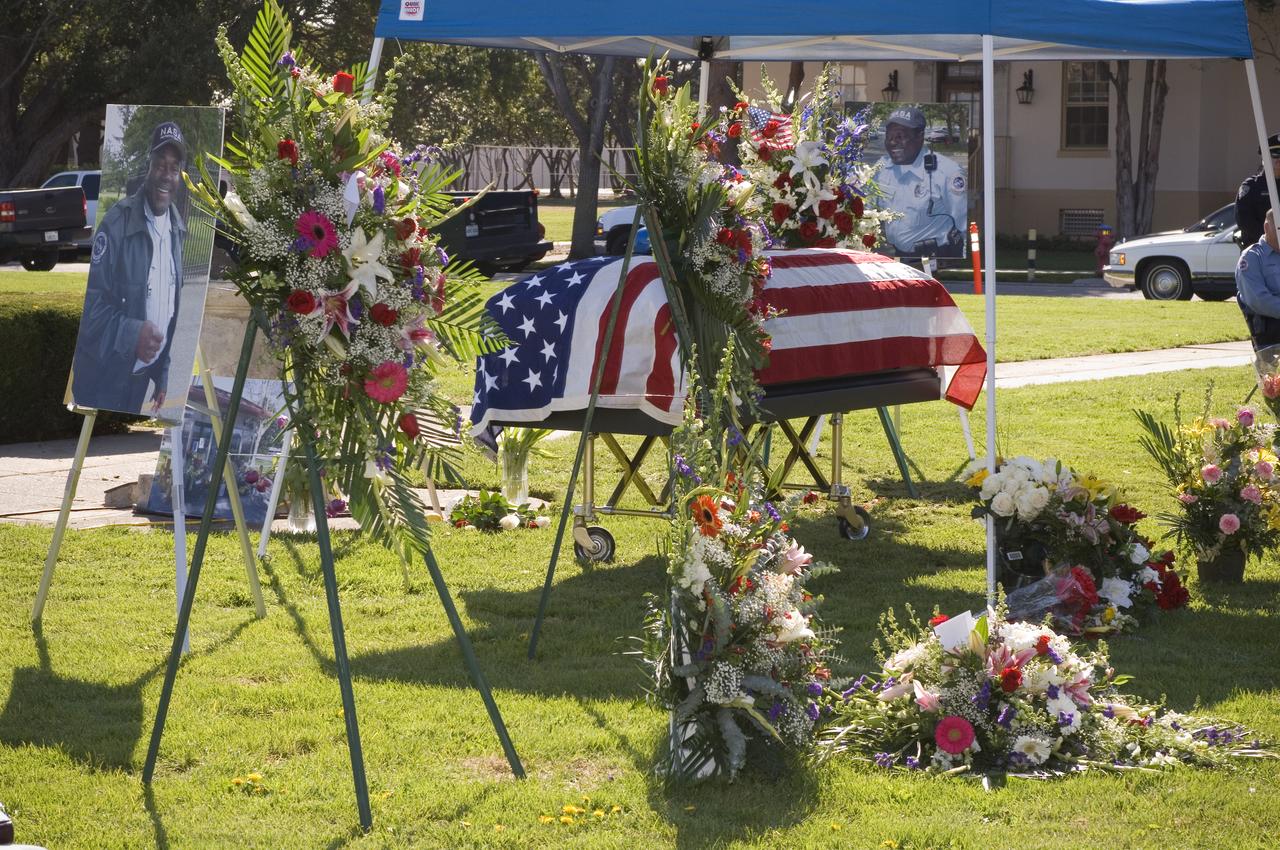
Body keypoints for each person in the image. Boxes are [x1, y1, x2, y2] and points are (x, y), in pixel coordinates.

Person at [72, 121, 187, 414]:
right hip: (103, 377)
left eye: (174, 168)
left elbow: (168, 311)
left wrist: (161, 373)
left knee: (117, 448)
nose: (167, 175)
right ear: (148, 166)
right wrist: (133, 333)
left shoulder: (177, 231)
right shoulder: (116, 224)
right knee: (96, 446)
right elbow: (92, 308)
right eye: (161, 165)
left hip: (137, 383)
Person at [872, 106, 967, 259]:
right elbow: (867, 212)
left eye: (900, 136)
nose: (892, 142)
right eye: (889, 136)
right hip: (898, 257)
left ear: (920, 137)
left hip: (937, 258)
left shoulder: (947, 172)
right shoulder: (882, 169)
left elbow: (963, 225)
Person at [1235, 208, 1280, 349]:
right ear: (1267, 227)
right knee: (1272, 372)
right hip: (1270, 334)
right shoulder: (1251, 258)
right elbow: (1258, 300)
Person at [1235, 133, 1280, 250]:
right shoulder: (1251, 187)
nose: (1279, 159)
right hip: (1259, 251)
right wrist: (1272, 240)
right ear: (1264, 157)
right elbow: (1244, 221)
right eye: (1275, 154)